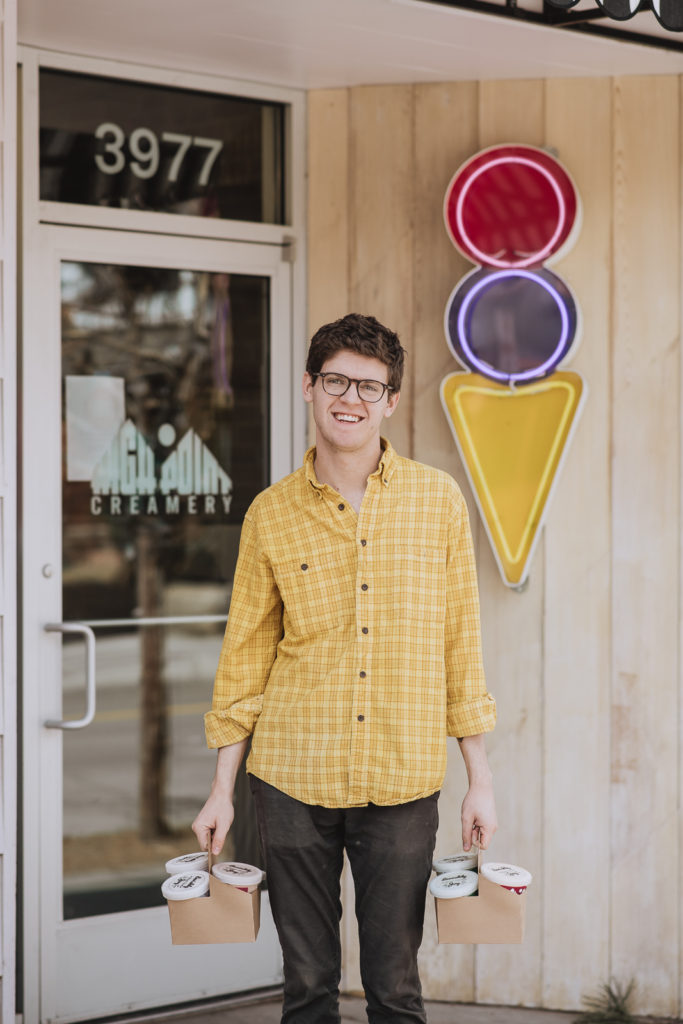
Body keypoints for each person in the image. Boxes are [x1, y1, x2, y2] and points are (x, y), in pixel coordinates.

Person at [192, 313, 497, 1024]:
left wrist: (479, 778)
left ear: (391, 399)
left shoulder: (438, 500)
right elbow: (244, 658)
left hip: (402, 779)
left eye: (369, 385)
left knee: (394, 987)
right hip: (291, 779)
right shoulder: (270, 514)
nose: (350, 399)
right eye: (335, 380)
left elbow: (461, 644)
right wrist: (221, 792)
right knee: (306, 988)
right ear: (308, 386)